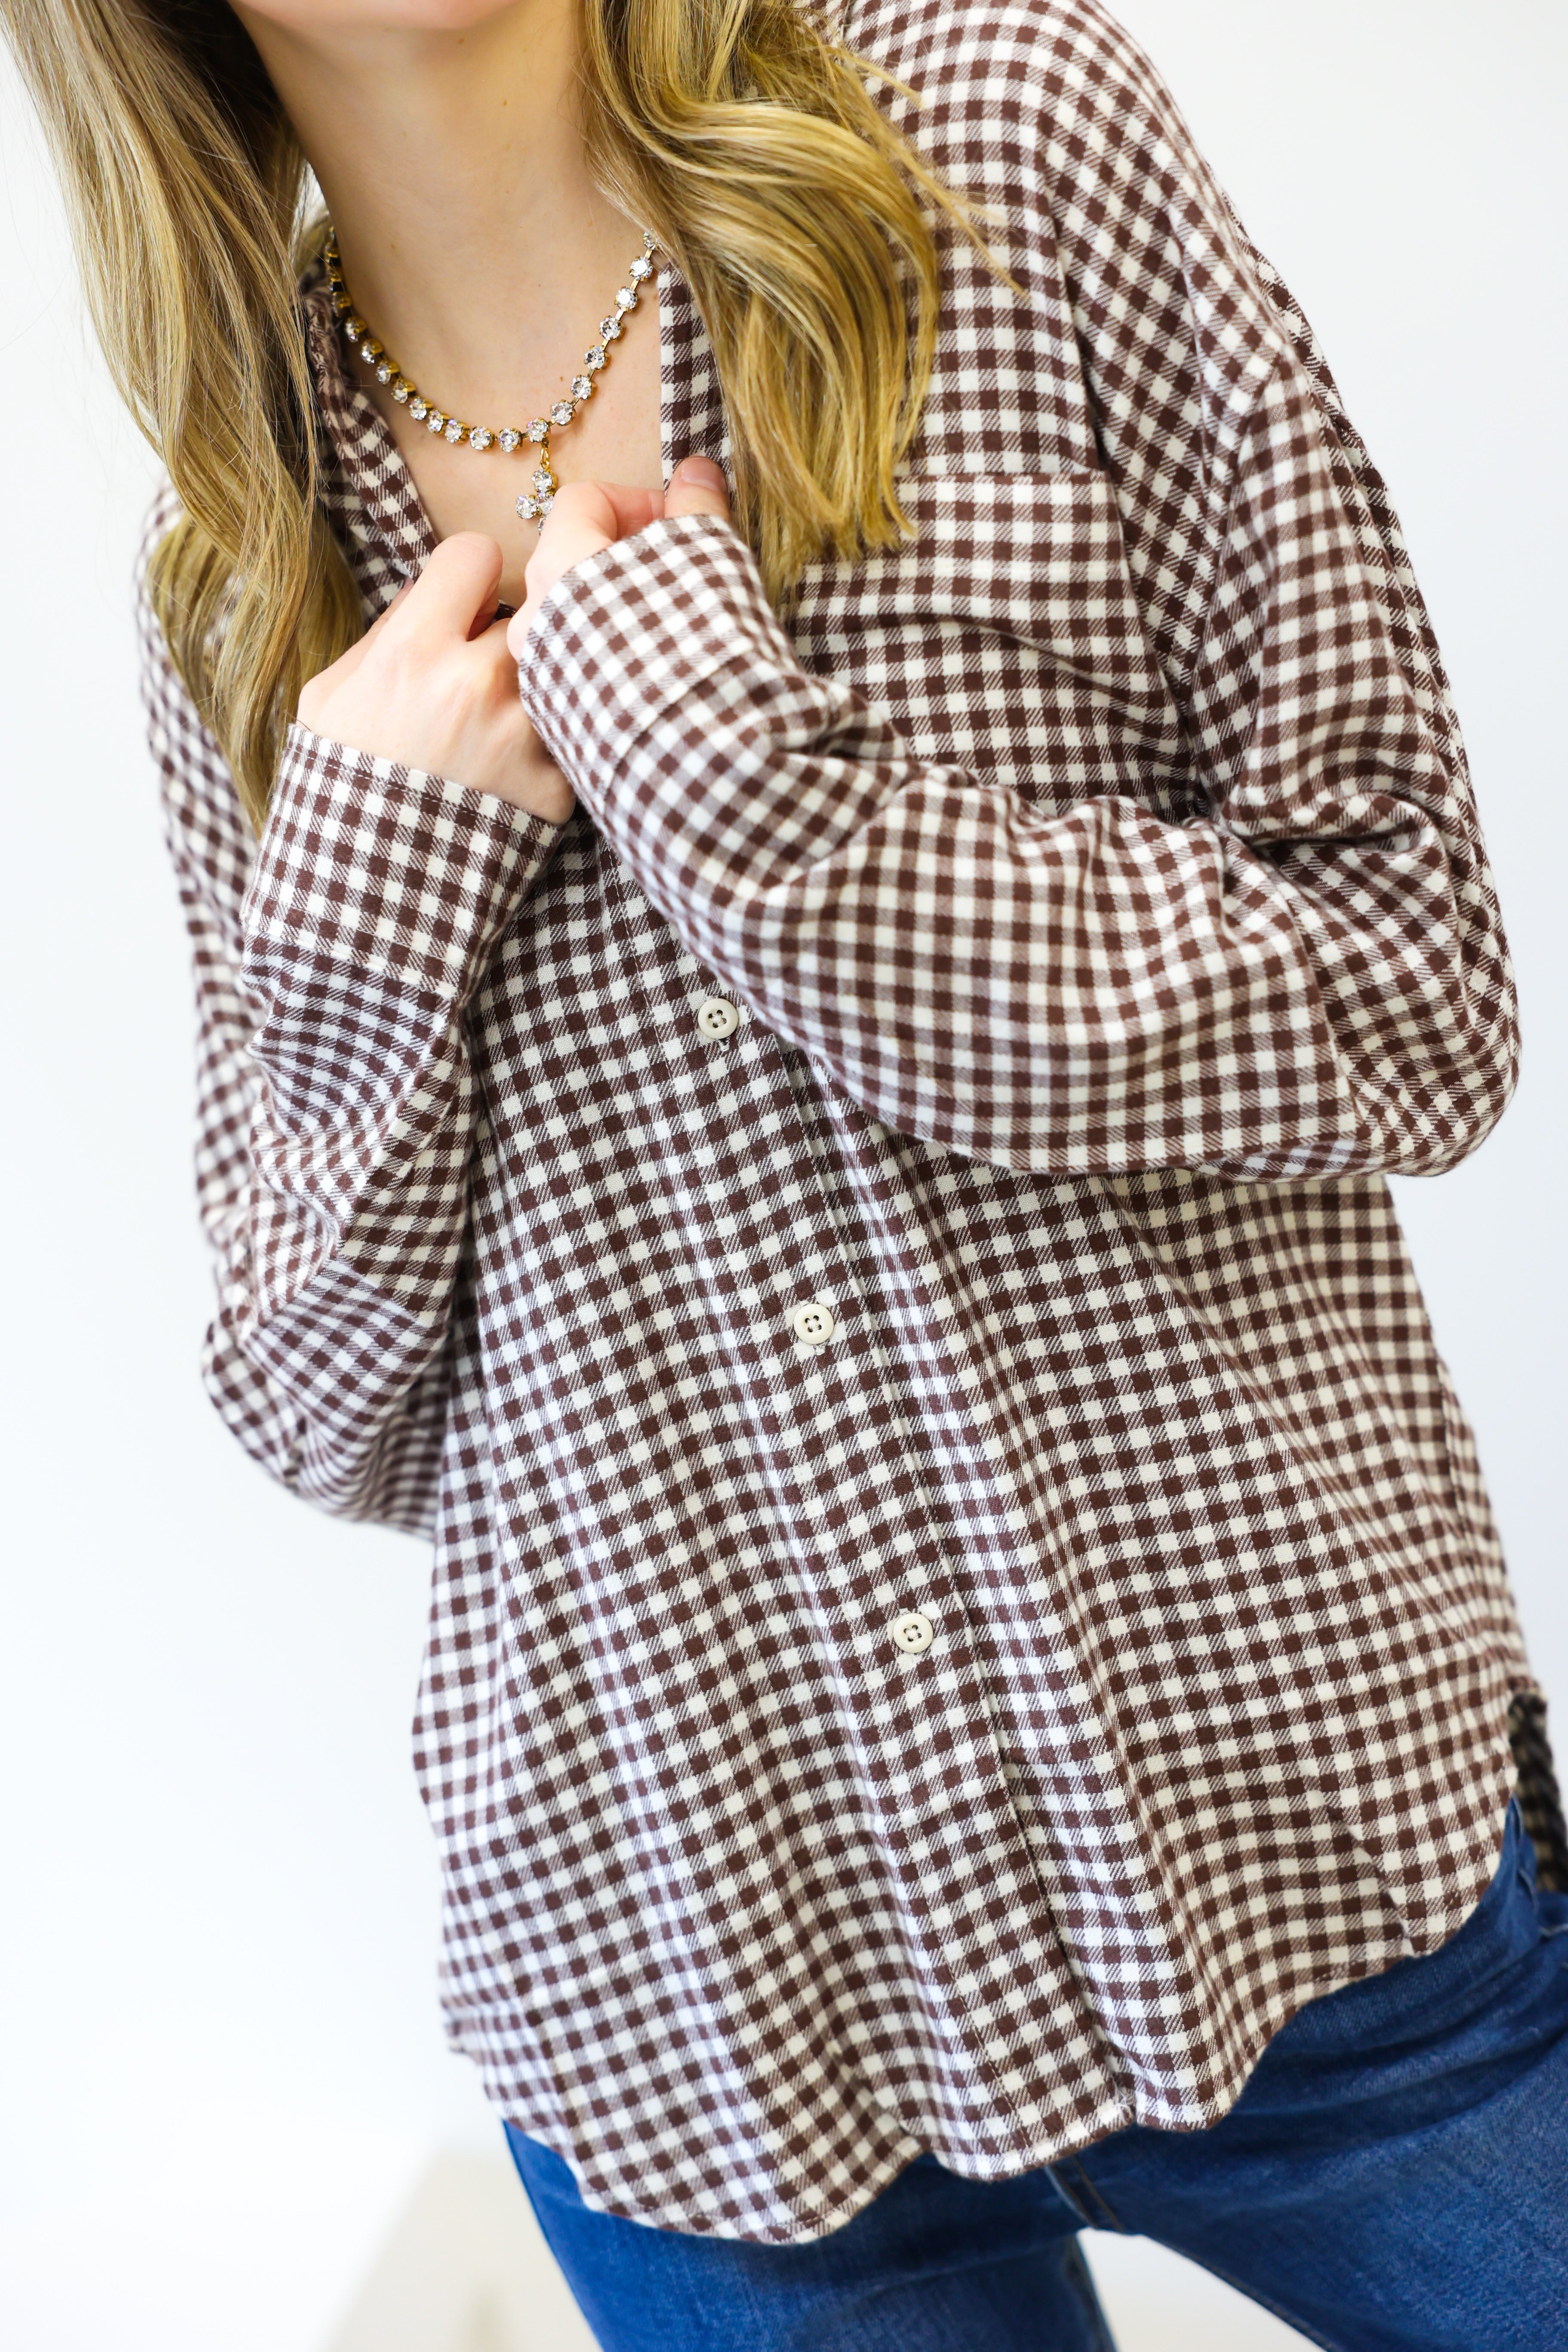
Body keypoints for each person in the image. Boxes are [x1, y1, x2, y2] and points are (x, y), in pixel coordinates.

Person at [6, 0, 1565, 2343]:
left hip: (1300, 1871)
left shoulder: (1008, 139)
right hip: (696, 2025)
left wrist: (784, 832)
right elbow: (334, 1415)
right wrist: (373, 904)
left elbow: (1413, 993)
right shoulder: (228, 575)